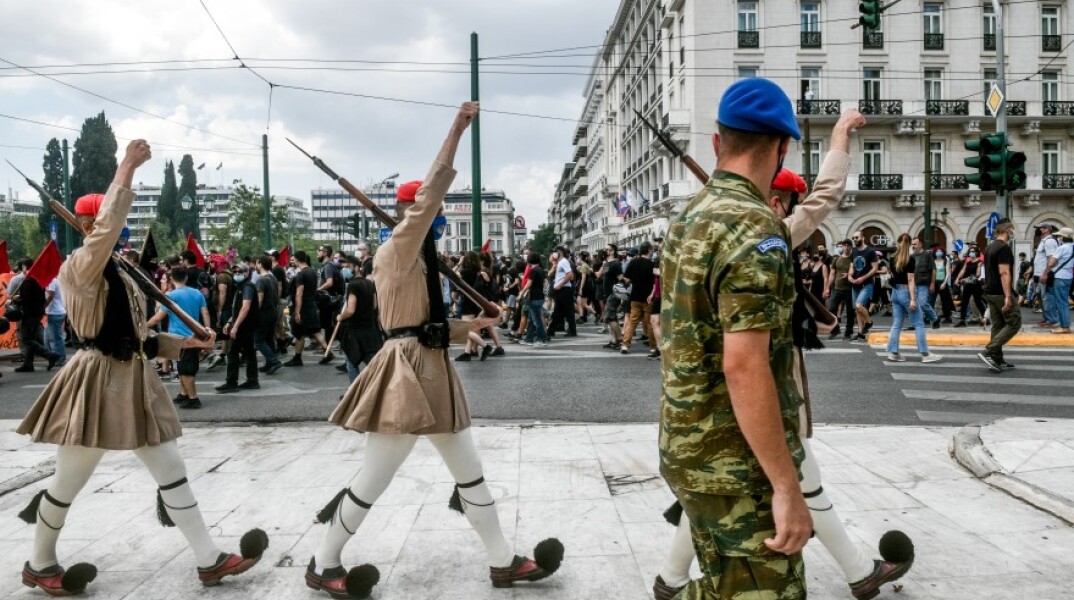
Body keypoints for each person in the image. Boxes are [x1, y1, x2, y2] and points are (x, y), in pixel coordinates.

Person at [307, 103, 563, 598]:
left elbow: (429, 328)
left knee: (470, 475)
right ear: (412, 212)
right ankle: (323, 561)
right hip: (406, 375)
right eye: (434, 211)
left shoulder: (418, 257)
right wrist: (457, 129)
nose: (440, 217)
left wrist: (477, 323)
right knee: (372, 481)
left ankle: (503, 560)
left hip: (431, 367)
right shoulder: (399, 247)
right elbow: (430, 196)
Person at [16, 140, 267, 595]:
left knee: (171, 470)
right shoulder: (81, 266)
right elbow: (108, 227)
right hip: (96, 381)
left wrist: (187, 340)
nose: (122, 233)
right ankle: (39, 562)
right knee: (67, 482)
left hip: (131, 378)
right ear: (92, 225)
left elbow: (139, 337)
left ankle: (209, 559)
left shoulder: (118, 272)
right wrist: (126, 167)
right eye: (113, 225)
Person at [660, 77, 812, 600]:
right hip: (735, 465)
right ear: (783, 145)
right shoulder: (756, 228)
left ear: (718, 142)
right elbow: (744, 365)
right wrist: (787, 487)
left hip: (687, 444)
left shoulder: (689, 218)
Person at [146, 267, 211, 409]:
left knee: (186, 370)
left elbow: (158, 318)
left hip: (179, 339)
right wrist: (207, 331)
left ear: (171, 279)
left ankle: (193, 398)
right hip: (193, 336)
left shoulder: (171, 296)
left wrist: (144, 326)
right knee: (182, 369)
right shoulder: (197, 293)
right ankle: (184, 394)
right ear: (186, 278)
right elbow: (205, 313)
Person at [884, 234, 941, 363]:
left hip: (895, 293)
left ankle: (894, 353)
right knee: (919, 323)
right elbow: (910, 280)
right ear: (909, 244)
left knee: (897, 324)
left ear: (898, 243)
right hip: (905, 292)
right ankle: (925, 354)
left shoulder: (892, 258)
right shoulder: (910, 260)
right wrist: (913, 299)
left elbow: (891, 275)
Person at [978, 219, 1023, 371]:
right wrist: (1008, 296)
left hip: (990, 291)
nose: (1013, 232)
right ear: (1008, 230)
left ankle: (997, 359)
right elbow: (1004, 272)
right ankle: (989, 351)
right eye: (1012, 229)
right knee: (1014, 322)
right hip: (999, 292)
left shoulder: (990, 247)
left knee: (998, 325)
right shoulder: (1003, 248)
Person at [336, 255, 383, 381]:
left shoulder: (353, 285)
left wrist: (341, 316)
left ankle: (355, 391)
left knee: (352, 362)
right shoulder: (369, 284)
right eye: (344, 267)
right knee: (371, 361)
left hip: (355, 329)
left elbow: (350, 310)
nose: (345, 269)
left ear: (357, 267)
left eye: (348, 267)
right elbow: (375, 305)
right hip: (370, 329)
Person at [216, 262, 260, 393]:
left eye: (240, 272)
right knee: (249, 352)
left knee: (233, 352)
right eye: (235, 272)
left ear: (247, 273)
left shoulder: (247, 287)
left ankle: (231, 382)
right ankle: (252, 380)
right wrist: (230, 322)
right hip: (244, 325)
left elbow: (245, 307)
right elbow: (237, 308)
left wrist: (234, 327)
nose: (237, 274)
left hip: (244, 326)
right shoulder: (241, 286)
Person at [284, 251, 331, 367]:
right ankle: (327, 351)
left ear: (297, 259)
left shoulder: (301, 274)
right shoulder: (312, 271)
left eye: (293, 259)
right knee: (314, 330)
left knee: (299, 332)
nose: (292, 261)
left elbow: (299, 294)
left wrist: (297, 312)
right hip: (312, 304)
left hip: (303, 306)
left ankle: (297, 358)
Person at [12, 271, 61, 373]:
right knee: (31, 338)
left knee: (26, 339)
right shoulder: (39, 282)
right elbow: (42, 298)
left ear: (24, 267)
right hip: (37, 313)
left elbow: (26, 299)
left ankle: (50, 355)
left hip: (29, 313)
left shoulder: (27, 281)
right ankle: (28, 364)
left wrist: (15, 300)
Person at [254, 256, 283, 374]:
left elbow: (259, 300)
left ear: (260, 264)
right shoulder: (272, 278)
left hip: (264, 313)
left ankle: (273, 360)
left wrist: (254, 313)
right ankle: (269, 363)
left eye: (256, 263)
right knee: (269, 338)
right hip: (273, 311)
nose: (256, 266)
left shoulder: (261, 280)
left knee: (258, 340)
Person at [849, 231, 879, 341]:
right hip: (855, 283)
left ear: (863, 237)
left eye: (856, 237)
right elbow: (852, 266)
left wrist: (863, 278)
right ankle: (860, 333)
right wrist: (849, 275)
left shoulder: (870, 251)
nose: (855, 239)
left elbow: (875, 268)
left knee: (858, 305)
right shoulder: (854, 251)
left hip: (867, 284)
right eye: (853, 238)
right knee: (857, 310)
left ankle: (869, 322)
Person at [1045, 227, 1074, 334]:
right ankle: (1064, 325)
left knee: (1061, 302)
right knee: (1064, 301)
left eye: (1059, 236)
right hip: (1069, 276)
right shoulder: (1073, 247)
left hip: (1060, 277)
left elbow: (1051, 263)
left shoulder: (1062, 248)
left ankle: (1065, 327)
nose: (1058, 238)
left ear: (1063, 237)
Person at [826, 240, 855, 340]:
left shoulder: (853, 258)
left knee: (850, 311)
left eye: (848, 246)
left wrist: (850, 275)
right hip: (837, 288)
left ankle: (848, 332)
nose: (846, 247)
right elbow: (832, 274)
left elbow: (858, 271)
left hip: (850, 289)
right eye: (844, 245)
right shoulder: (837, 259)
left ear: (851, 247)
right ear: (841, 247)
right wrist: (827, 288)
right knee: (831, 308)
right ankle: (835, 329)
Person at [1033, 222, 1061, 325]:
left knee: (1047, 298)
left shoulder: (1049, 241)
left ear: (1048, 229)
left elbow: (1051, 259)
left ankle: (1052, 319)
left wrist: (1045, 274)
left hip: (1044, 274)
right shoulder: (1043, 241)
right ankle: (1046, 318)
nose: (1040, 230)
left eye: (1042, 228)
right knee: (1041, 297)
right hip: (1039, 273)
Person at [520, 252, 549, 346]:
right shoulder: (541, 270)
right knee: (532, 319)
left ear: (529, 260)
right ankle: (529, 339)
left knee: (536, 320)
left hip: (534, 297)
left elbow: (529, 283)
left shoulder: (533, 270)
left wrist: (521, 293)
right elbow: (545, 282)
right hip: (540, 296)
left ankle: (541, 339)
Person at [547, 246, 577, 338]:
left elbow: (570, 275)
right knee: (557, 311)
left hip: (564, 289)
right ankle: (551, 330)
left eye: (555, 252)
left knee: (567, 311)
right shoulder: (560, 262)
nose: (553, 254)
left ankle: (572, 330)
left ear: (560, 252)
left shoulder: (564, 261)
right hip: (561, 289)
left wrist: (560, 284)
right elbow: (550, 274)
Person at [911, 237, 940, 329]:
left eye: (915, 244)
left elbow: (933, 270)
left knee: (923, 303)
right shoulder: (912, 257)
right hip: (914, 284)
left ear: (920, 244)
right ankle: (916, 324)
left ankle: (935, 318)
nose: (913, 246)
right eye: (912, 244)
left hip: (924, 284)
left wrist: (932, 284)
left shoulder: (927, 255)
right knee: (914, 305)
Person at [44, 277, 68, 368]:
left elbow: (51, 295)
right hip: (53, 313)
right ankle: (53, 357)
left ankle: (60, 358)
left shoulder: (51, 280)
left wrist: (44, 306)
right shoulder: (52, 280)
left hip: (55, 313)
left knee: (55, 339)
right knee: (47, 338)